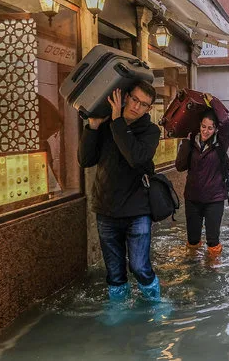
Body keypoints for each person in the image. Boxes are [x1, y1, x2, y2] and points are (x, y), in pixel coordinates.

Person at [78, 82, 161, 302]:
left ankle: (156, 305)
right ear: (125, 97)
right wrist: (93, 127)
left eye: (143, 104)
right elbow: (85, 160)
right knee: (114, 273)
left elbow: (135, 157)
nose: (136, 107)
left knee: (140, 267)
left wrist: (117, 122)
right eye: (134, 99)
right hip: (106, 209)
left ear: (148, 109)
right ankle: (118, 313)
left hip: (137, 210)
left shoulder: (151, 131)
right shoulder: (106, 125)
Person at [175, 94, 229, 257]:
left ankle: (212, 270)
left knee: (212, 241)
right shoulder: (190, 143)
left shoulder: (220, 144)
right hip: (192, 198)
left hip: (214, 199)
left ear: (215, 129)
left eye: (210, 128)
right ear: (199, 126)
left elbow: (226, 123)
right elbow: (179, 167)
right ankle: (193, 268)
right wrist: (185, 142)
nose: (206, 131)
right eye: (203, 126)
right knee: (192, 240)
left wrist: (213, 101)